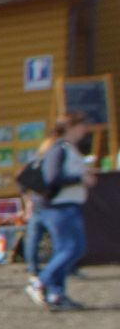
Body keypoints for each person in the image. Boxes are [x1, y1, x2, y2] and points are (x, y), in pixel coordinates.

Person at [24, 112, 98, 311]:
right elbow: (52, 178)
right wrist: (80, 178)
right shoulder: (58, 149)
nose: (85, 129)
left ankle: (56, 293)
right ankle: (40, 283)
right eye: (82, 125)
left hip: (69, 206)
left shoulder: (70, 149)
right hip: (58, 207)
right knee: (68, 249)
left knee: (74, 249)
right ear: (71, 127)